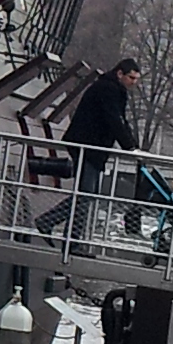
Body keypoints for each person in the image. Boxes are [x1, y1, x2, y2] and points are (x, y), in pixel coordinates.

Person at [57, 56, 142, 238]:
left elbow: (119, 120)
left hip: (89, 146)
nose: (133, 83)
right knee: (86, 193)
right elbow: (115, 120)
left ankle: (66, 233)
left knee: (86, 193)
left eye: (136, 79)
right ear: (120, 74)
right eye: (131, 78)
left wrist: (132, 145)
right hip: (88, 146)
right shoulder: (109, 89)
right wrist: (130, 146)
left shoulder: (110, 87)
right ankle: (68, 235)